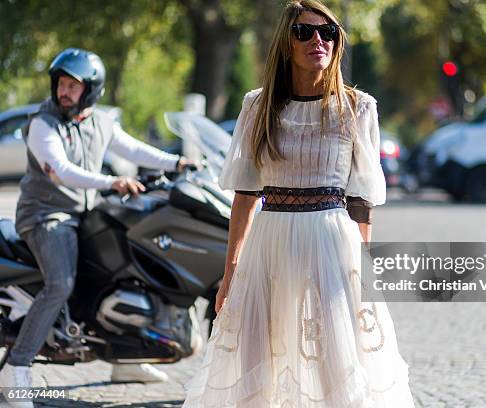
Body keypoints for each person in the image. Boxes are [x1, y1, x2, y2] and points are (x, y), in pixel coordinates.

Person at [182, 1, 415, 407]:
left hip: (331, 244)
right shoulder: (258, 107)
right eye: (305, 32)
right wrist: (230, 272)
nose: (318, 41)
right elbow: (245, 195)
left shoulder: (357, 108)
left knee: (335, 360)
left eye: (328, 33)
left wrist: (362, 267)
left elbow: (362, 201)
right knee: (257, 356)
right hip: (268, 244)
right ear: (286, 43)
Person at [0, 48, 197, 408]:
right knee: (60, 283)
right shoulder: (43, 123)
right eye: (61, 84)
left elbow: (135, 149)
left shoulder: (101, 122)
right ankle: (17, 367)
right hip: (46, 217)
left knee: (124, 267)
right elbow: (60, 170)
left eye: (72, 86)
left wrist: (178, 162)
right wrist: (112, 182)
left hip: (85, 214)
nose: (64, 91)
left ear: (91, 90)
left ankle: (126, 360)